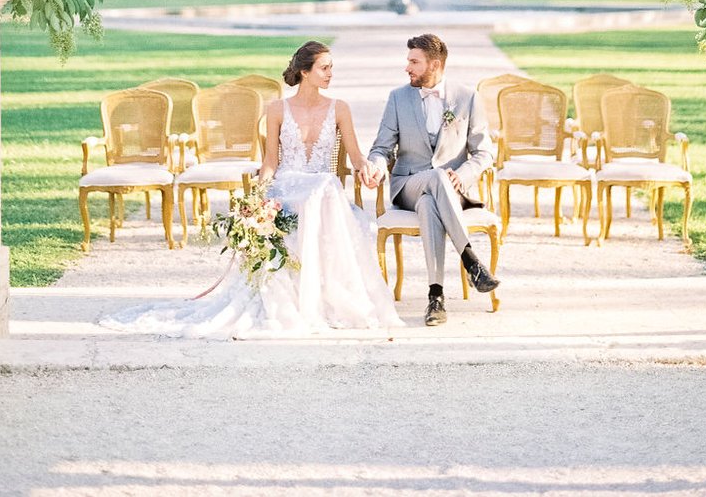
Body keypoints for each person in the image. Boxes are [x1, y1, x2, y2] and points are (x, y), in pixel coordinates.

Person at [102, 41, 401, 338]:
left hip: (322, 193)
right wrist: (256, 201)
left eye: (331, 68)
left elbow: (356, 155)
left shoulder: (340, 108)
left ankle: (324, 299)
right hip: (288, 188)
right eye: (324, 68)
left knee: (324, 190)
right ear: (305, 72)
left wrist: (368, 169)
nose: (330, 74)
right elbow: (270, 162)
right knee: (311, 197)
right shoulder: (276, 110)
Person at [365, 33, 498, 326]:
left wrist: (462, 175)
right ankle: (471, 259)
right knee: (432, 183)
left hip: (451, 192)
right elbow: (381, 148)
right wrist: (375, 165)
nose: (407, 67)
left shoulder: (468, 98)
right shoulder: (398, 98)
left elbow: (484, 153)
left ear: (434, 64)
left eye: (414, 61)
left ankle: (435, 296)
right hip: (408, 185)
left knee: (429, 204)